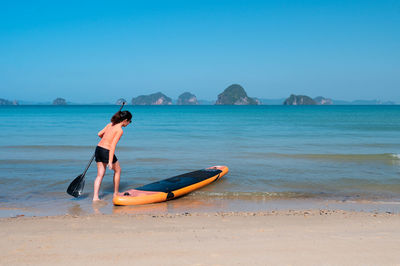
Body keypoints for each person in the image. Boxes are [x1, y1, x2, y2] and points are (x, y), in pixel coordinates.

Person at [93, 110, 132, 201]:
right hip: (106, 151)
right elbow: (112, 146)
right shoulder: (119, 130)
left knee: (100, 175)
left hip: (98, 149)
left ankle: (95, 197)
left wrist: (107, 137)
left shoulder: (110, 124)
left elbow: (99, 134)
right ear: (125, 120)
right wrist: (110, 161)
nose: (129, 123)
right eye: (130, 121)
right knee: (118, 170)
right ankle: (116, 193)